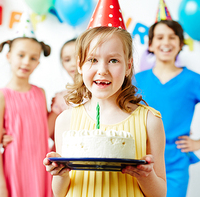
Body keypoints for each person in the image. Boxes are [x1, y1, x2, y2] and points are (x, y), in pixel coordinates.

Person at [43, 26, 167, 197]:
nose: (102, 70)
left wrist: (146, 176)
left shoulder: (150, 120)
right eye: (93, 60)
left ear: (128, 66)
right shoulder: (65, 120)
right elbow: (60, 193)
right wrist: (60, 174)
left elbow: (160, 194)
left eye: (113, 60)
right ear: (80, 65)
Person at [134, 20, 200, 197]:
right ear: (150, 44)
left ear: (181, 44)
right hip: (139, 160)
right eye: (160, 37)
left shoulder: (193, 80)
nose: (166, 42)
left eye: (172, 37)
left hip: (175, 163)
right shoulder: (136, 81)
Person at [0, 37, 53, 197]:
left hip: (40, 167)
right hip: (15, 167)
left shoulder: (40, 93)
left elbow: (43, 129)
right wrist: (0, 186)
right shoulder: (1, 96)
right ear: (9, 56)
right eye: (21, 55)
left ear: (38, 63)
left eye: (33, 58)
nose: (26, 62)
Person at [48, 38, 77, 149]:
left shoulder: (102, 94)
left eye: (78, 57)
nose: (73, 64)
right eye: (67, 59)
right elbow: (47, 131)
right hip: (64, 155)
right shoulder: (61, 98)